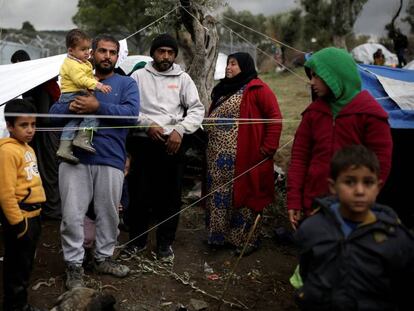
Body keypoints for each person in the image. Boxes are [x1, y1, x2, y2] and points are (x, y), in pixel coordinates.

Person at [49, 34, 139, 289]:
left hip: (110, 157)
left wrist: (96, 106)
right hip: (73, 158)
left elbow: (132, 116)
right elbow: (53, 116)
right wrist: (73, 107)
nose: (106, 56)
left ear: (117, 55)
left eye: (112, 52)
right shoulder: (74, 76)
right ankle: (74, 265)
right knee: (71, 215)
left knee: (109, 213)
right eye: (102, 51)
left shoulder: (126, 83)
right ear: (92, 53)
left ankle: (102, 258)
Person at [294, 145, 414, 310]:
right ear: (332, 186)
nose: (359, 191)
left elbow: (403, 290)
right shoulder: (312, 228)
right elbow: (307, 271)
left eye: (368, 182)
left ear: (378, 187)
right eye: (349, 182)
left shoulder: (395, 238)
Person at [286, 47, 393, 230]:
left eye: (317, 76)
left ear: (335, 76)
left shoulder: (370, 115)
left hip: (353, 209)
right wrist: (294, 200)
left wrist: (363, 199)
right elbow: (299, 159)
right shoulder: (313, 114)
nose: (312, 82)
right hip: (314, 204)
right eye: (311, 76)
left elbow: (381, 163)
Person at [124, 33, 204, 262]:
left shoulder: (183, 79)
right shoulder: (138, 77)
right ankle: (136, 242)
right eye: (161, 51)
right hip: (143, 142)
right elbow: (129, 108)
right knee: (140, 193)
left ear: (175, 55)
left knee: (169, 196)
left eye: (170, 52)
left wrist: (180, 130)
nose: (166, 56)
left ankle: (165, 244)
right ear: (153, 53)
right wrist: (147, 123)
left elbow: (197, 110)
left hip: (172, 143)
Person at [204, 52, 282, 255]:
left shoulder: (257, 88)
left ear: (245, 66)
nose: (228, 68)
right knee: (219, 195)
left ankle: (246, 240)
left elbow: (274, 117)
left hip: (245, 155)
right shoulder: (222, 89)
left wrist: (267, 149)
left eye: (233, 64)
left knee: (244, 195)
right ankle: (218, 236)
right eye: (228, 64)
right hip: (216, 157)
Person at [0, 99, 46, 311]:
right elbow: (5, 193)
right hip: (21, 220)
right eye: (23, 125)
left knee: (25, 265)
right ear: (10, 126)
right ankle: (15, 306)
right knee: (16, 268)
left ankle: (21, 304)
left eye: (33, 125)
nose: (30, 130)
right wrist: (19, 224)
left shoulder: (27, 148)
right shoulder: (7, 152)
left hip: (34, 217)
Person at [11, 50, 62, 220]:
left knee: (48, 169)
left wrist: (28, 107)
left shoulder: (40, 82)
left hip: (46, 132)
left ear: (21, 62)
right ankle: (48, 207)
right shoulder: (34, 80)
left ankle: (52, 210)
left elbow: (45, 116)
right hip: (40, 131)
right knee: (40, 168)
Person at [56, 29, 112, 164]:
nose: (87, 52)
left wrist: (92, 77)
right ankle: (83, 138)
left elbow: (84, 75)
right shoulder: (72, 64)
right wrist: (97, 84)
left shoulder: (80, 61)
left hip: (71, 94)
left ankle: (64, 148)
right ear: (71, 51)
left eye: (88, 49)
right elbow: (80, 79)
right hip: (72, 94)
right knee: (92, 114)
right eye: (83, 49)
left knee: (73, 121)